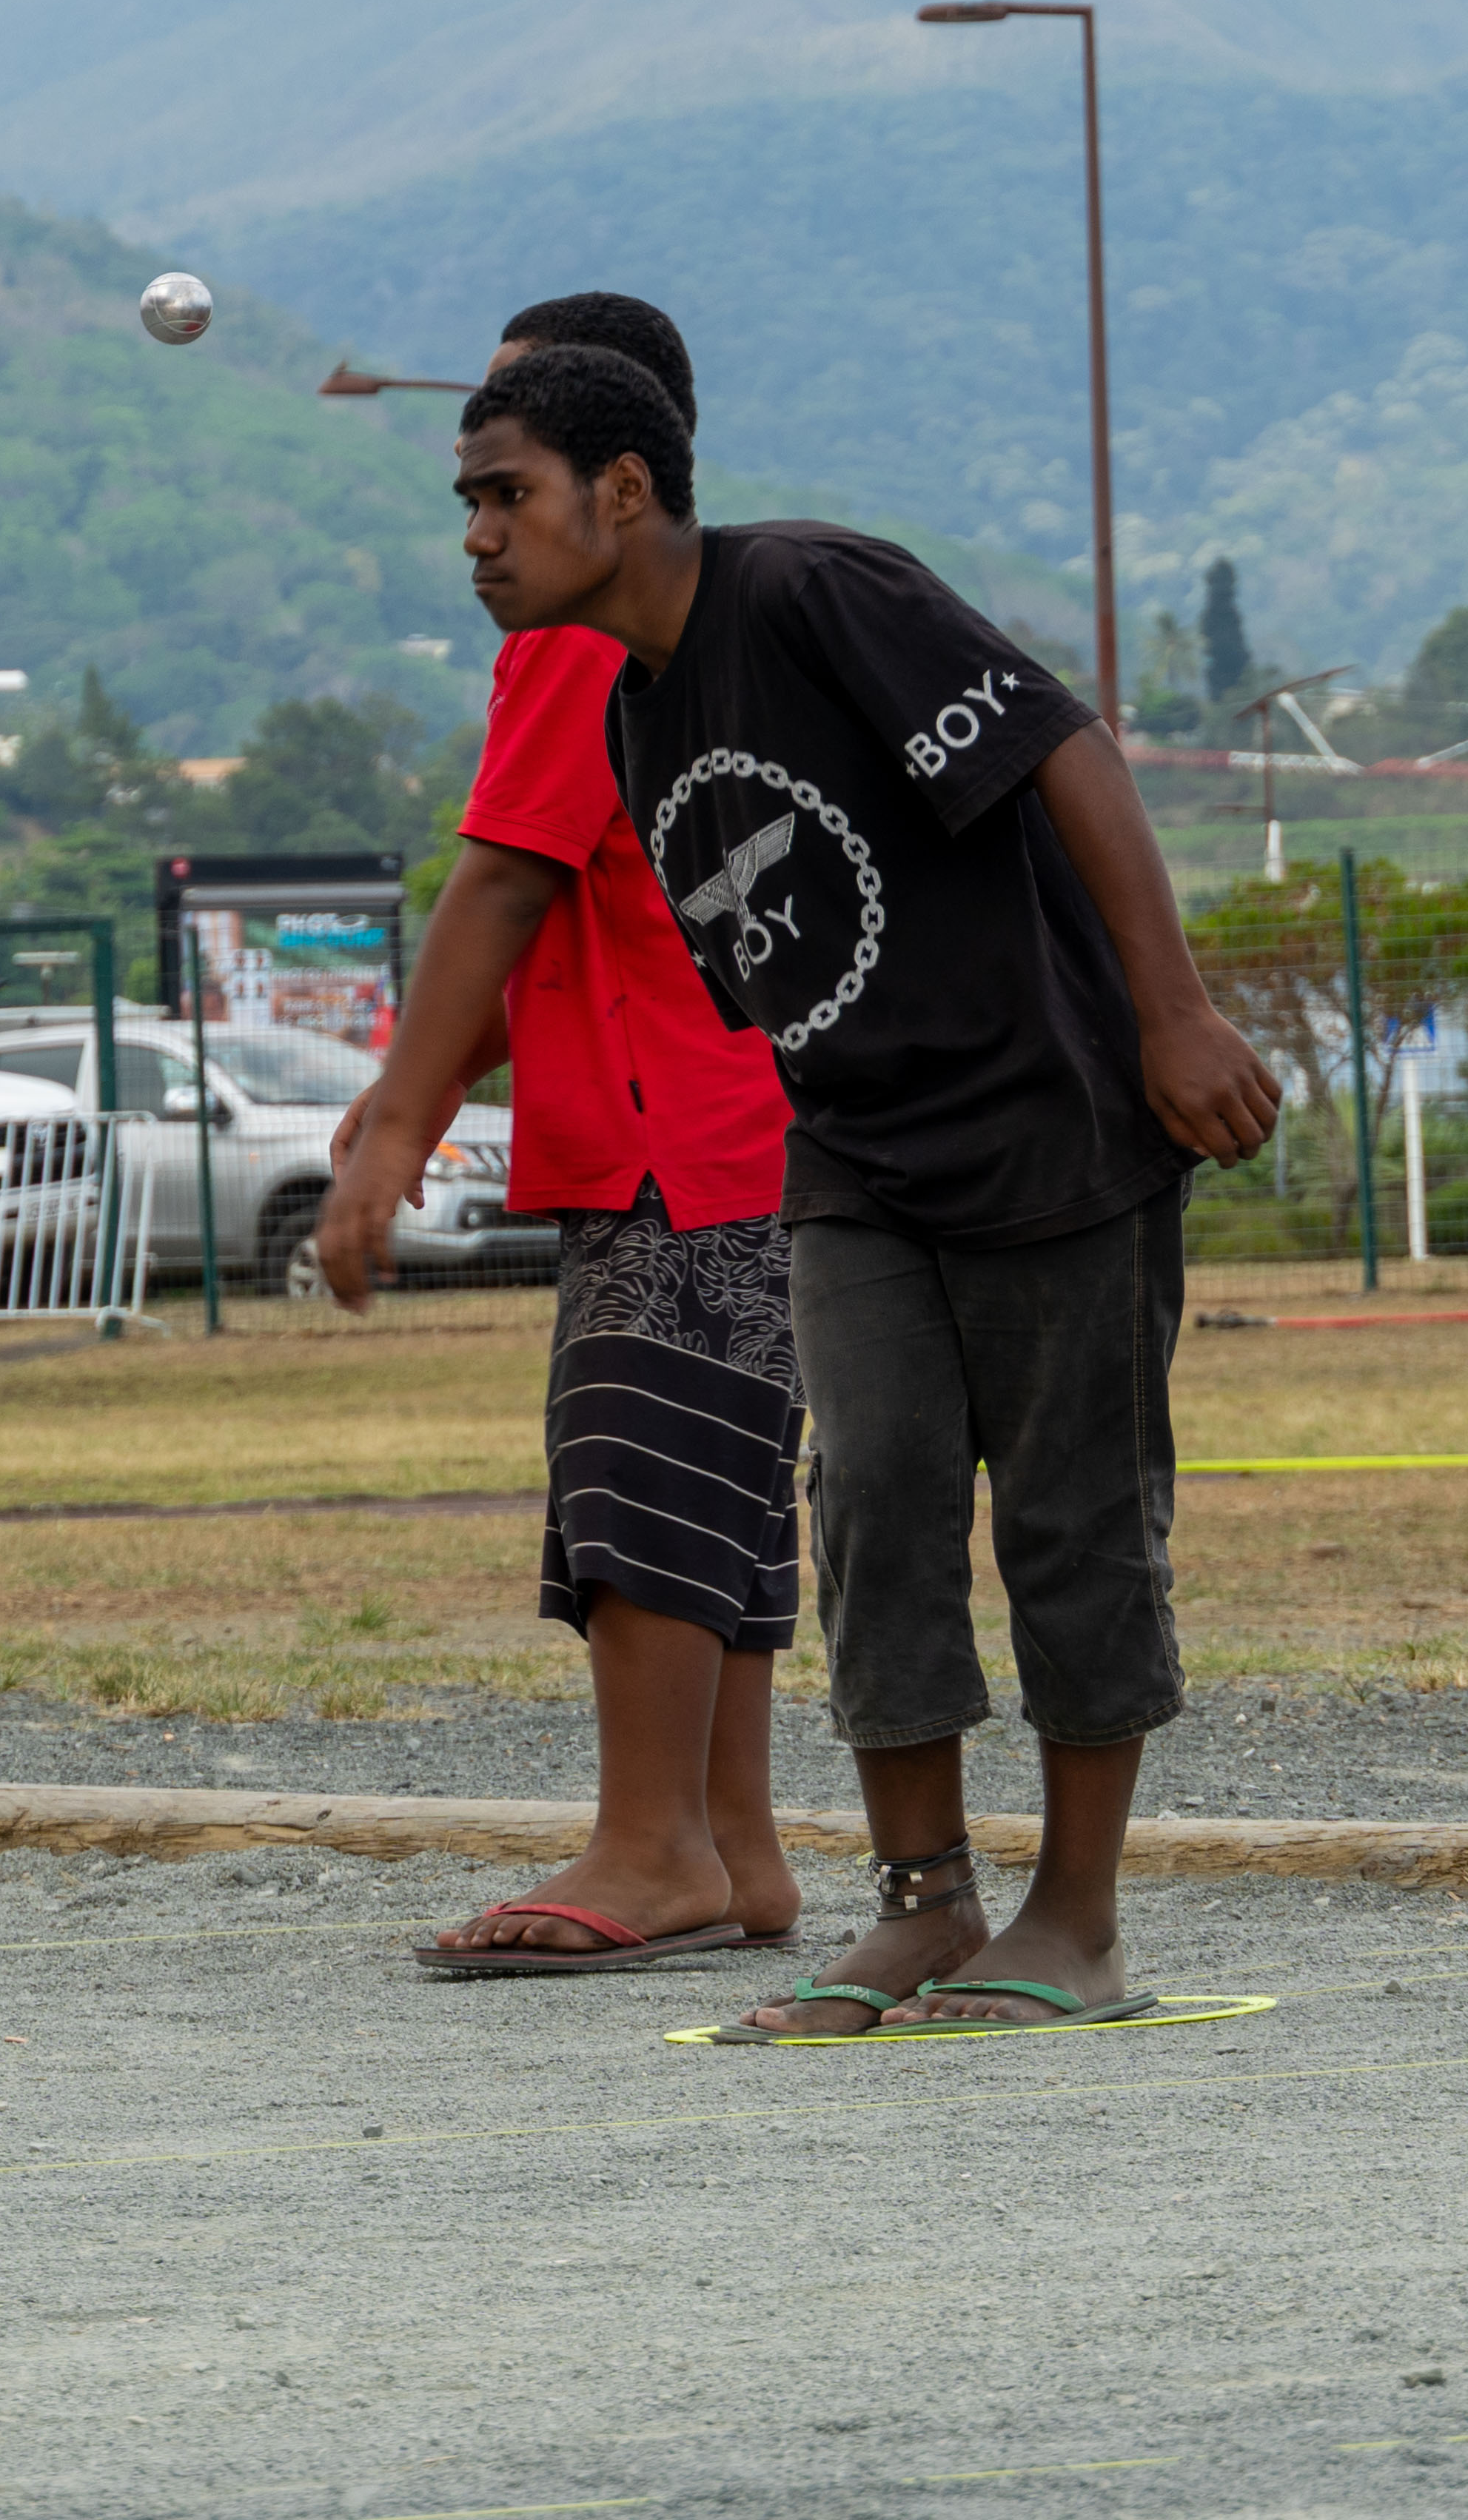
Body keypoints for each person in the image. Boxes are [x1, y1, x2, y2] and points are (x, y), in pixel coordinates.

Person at [445, 346, 1278, 2037]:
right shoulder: (629, 702)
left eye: (503, 494)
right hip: (854, 1155)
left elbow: (1068, 752)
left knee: (1070, 1524)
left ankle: (1081, 1917)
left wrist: (1173, 1012)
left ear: (621, 490)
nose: (476, 538)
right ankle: (924, 1903)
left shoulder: (815, 587)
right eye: (467, 504)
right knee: (877, 1503)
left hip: (1053, 1124)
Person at [323, 295, 814, 1976]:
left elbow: (508, 874)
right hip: (769, 1126)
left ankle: (649, 1844)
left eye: (510, 448)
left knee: (640, 1471)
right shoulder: (723, 620)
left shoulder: (575, 638)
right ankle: (736, 1845)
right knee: (730, 1495)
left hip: (669, 1133)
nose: (480, 516)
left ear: (620, 474)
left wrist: (400, 1124)